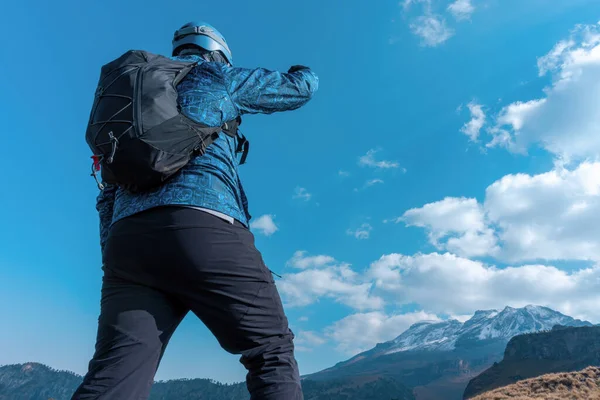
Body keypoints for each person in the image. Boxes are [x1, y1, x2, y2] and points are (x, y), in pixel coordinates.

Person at [72, 21, 318, 400]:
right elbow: (298, 89)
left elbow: (108, 192)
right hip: (201, 223)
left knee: (115, 374)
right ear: (217, 52)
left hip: (127, 243)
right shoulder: (213, 73)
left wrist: (117, 260)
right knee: (270, 350)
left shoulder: (133, 102)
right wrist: (307, 69)